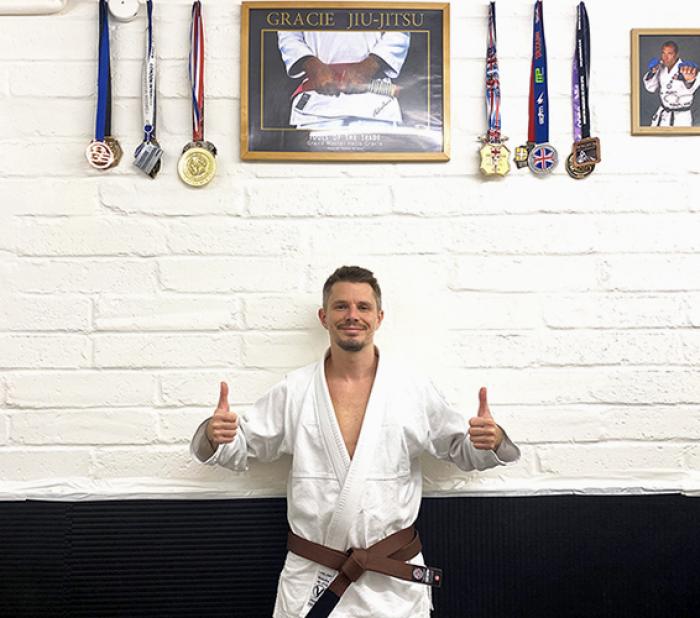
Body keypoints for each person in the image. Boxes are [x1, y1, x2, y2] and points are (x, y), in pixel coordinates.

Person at [191, 266, 520, 618]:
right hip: (313, 574)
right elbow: (241, 447)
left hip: (392, 581)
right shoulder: (295, 390)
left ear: (379, 317)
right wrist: (216, 435)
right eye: (341, 306)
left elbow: (461, 450)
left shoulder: (411, 388)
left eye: (363, 307)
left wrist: (490, 441)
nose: (352, 315)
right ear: (324, 316)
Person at [276, 31, 410, 130]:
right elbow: (288, 32)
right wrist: (311, 64)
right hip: (316, 108)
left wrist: (372, 64)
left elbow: (399, 26)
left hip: (376, 106)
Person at [643, 40, 700, 127]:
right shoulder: (660, 67)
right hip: (663, 113)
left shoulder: (687, 68)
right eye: (663, 53)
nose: (665, 57)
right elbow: (651, 88)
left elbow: (693, 85)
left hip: (681, 117)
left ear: (676, 55)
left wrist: (689, 81)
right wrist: (652, 73)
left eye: (669, 53)